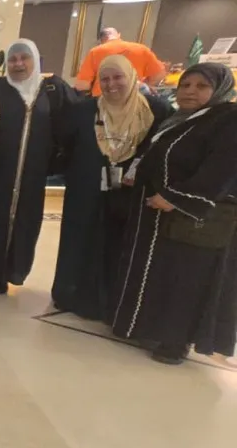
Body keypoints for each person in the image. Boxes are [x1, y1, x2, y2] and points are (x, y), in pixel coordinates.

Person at [112, 63, 237, 364]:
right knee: (161, 274)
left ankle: (176, 340)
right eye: (185, 85)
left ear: (219, 89)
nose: (190, 92)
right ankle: (149, 328)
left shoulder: (227, 120)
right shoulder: (180, 120)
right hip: (159, 214)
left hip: (192, 218)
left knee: (186, 280)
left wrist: (177, 198)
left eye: (201, 86)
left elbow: (222, 168)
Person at [52, 55, 169, 320]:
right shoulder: (84, 110)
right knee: (80, 241)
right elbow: (64, 145)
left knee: (119, 243)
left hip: (130, 191)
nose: (111, 84)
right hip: (86, 188)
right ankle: (70, 294)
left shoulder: (155, 111)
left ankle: (114, 302)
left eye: (118, 77)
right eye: (104, 79)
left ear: (133, 77)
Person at [0, 40, 77, 294]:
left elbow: (71, 124)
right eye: (13, 59)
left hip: (33, 172)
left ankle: (11, 272)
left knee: (25, 221)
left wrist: (57, 161)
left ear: (35, 60)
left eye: (24, 58)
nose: (18, 64)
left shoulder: (52, 90)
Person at [75, 27, 166, 96]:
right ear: (119, 35)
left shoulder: (95, 52)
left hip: (104, 100)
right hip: (134, 99)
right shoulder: (141, 49)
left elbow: (82, 85)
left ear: (102, 40)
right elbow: (159, 74)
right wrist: (146, 85)